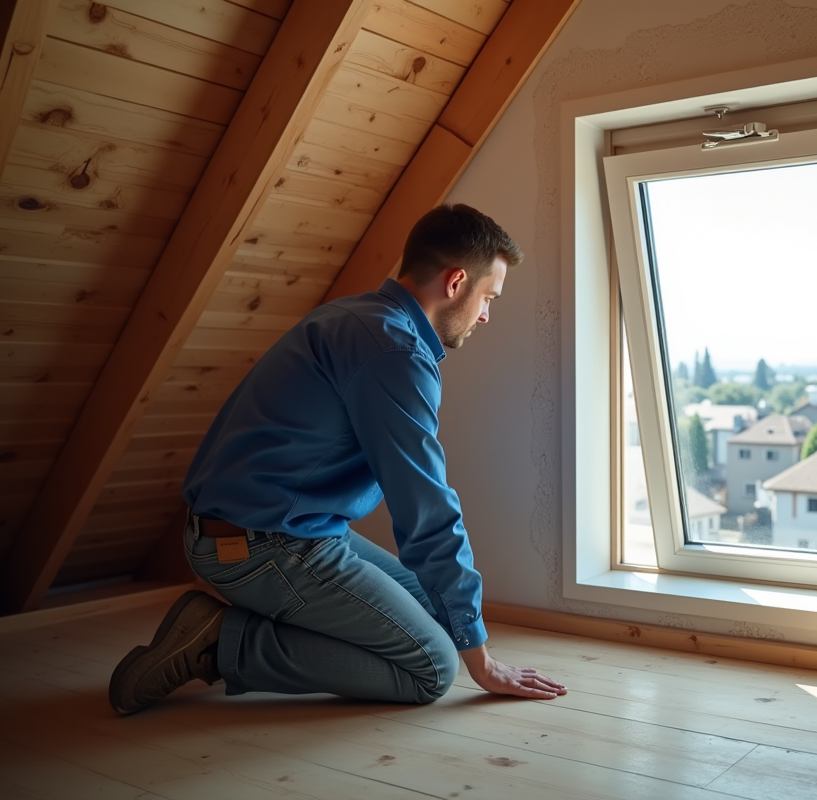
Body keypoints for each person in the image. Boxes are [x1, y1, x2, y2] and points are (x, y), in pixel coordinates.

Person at [109, 204, 566, 715]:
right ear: (456, 281)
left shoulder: (352, 315)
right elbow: (426, 509)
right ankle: (220, 643)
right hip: (261, 544)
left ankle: (257, 628)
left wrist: (466, 627)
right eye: (488, 298)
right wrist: (482, 663)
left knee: (444, 616)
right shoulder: (395, 352)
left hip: (285, 528)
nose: (485, 316)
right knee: (434, 666)